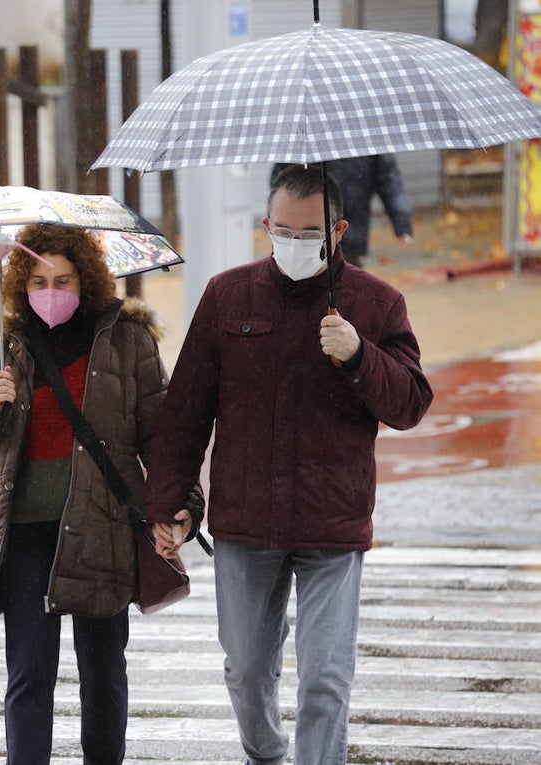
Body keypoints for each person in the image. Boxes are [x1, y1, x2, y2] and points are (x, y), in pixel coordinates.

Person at [144, 165, 433, 764]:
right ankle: (268, 754)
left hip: (333, 521)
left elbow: (410, 404)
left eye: (309, 233)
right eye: (284, 231)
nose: (295, 243)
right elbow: (186, 412)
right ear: (265, 226)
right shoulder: (228, 295)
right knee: (247, 671)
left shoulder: (378, 304)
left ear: (339, 231)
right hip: (246, 522)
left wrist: (359, 356)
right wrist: (171, 501)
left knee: (325, 681)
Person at [0, 223, 204, 765]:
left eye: (63, 279)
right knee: (28, 674)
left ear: (86, 280)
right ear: (21, 282)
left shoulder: (124, 337)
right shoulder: (1, 343)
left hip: (103, 526)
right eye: (39, 279)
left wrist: (182, 506)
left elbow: (161, 434)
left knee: (104, 671)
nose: (51, 290)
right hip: (22, 534)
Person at [272, 155, 414, 267]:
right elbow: (280, 184)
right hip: (307, 236)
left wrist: (401, 224)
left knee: (347, 287)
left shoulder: (364, 136)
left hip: (350, 231)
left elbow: (389, 182)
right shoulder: (306, 137)